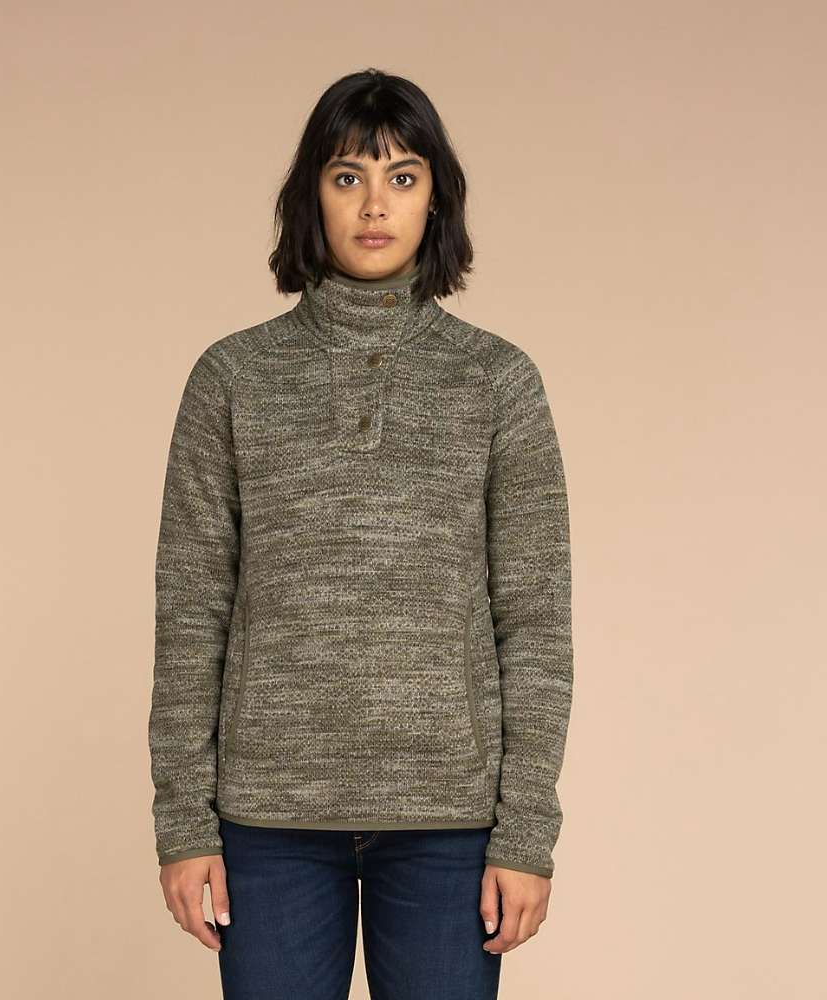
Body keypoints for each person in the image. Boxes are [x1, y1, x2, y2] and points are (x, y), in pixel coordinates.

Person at [148, 68, 574, 1000]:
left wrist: (526, 832)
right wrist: (184, 821)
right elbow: (191, 612)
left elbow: (535, 622)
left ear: (436, 199)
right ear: (312, 195)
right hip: (267, 822)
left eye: (402, 177)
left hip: (449, 824)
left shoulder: (497, 381)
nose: (375, 204)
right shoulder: (232, 378)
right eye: (348, 176)